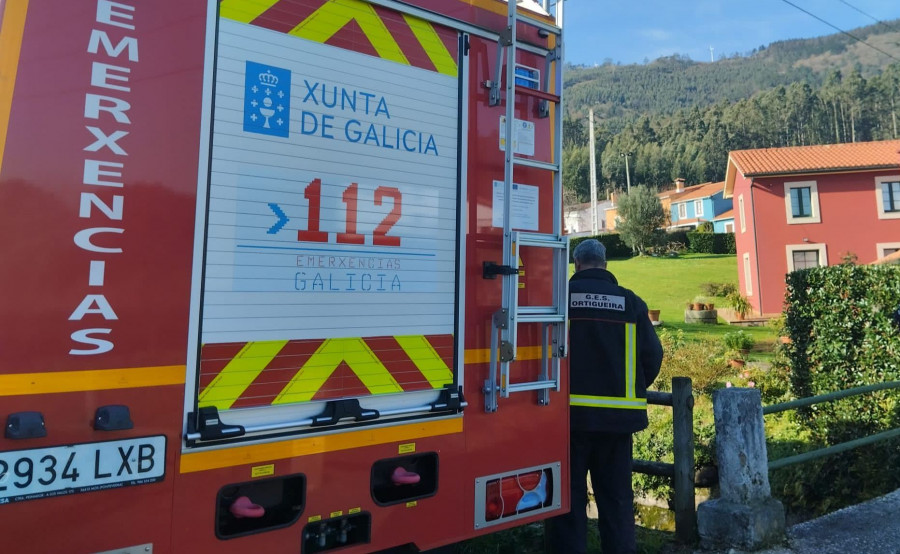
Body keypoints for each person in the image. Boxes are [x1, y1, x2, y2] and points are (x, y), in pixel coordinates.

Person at [547, 239, 664, 554]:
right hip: (617, 423)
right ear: (606, 264)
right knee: (616, 502)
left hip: (567, 424)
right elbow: (652, 356)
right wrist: (629, 390)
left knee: (566, 502)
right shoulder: (631, 303)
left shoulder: (560, 300)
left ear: (576, 264)